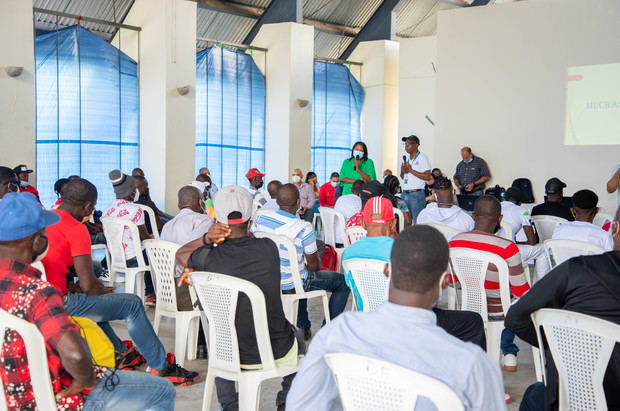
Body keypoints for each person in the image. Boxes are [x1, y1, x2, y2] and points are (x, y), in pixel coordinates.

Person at [287, 225, 506, 410]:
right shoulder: (473, 364)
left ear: (386, 271)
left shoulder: (338, 333)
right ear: (444, 282)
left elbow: (300, 405)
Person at [0, 192, 176, 410]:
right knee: (162, 391)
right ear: (38, 242)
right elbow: (74, 354)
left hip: (9, 395)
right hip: (48, 395)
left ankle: (120, 351)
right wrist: (86, 380)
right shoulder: (37, 293)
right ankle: (159, 365)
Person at [41, 178, 199, 386]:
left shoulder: (45, 218)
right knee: (132, 303)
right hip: (61, 302)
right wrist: (103, 291)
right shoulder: (76, 229)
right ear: (88, 206)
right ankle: (161, 367)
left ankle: (120, 352)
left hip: (41, 298)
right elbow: (89, 286)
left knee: (98, 303)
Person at [177, 185, 305, 411]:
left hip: (227, 352)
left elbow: (181, 254)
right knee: (299, 338)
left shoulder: (207, 258)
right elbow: (250, 243)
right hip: (273, 348)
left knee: (222, 338)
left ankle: (229, 405)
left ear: (216, 217)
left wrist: (208, 238)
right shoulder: (269, 248)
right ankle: (285, 403)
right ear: (251, 219)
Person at [505, 206, 620, 411]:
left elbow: (515, 317)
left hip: (571, 397)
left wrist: (561, 345)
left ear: (615, 229)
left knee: (535, 393)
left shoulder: (578, 269)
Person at [341, 195, 487, 349]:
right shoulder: (406, 250)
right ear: (393, 223)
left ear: (363, 223)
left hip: (371, 323)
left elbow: (354, 289)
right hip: (411, 325)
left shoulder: (348, 254)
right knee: (473, 321)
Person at [251, 184, 350, 339]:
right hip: (292, 283)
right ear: (298, 202)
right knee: (342, 283)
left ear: (277, 202)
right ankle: (326, 332)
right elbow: (313, 266)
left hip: (268, 280)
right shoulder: (303, 227)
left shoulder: (261, 219)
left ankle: (303, 326)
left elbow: (253, 243)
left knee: (299, 273)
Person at [449, 195, 530, 372]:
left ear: (472, 216)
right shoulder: (507, 247)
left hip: (468, 309)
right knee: (516, 304)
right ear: (499, 219)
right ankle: (508, 351)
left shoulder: (454, 242)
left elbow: (451, 280)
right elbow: (521, 291)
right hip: (498, 313)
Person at [160, 185, 212, 358]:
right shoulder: (204, 221)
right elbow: (193, 252)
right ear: (200, 202)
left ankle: (198, 341)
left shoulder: (168, 226)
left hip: (169, 289)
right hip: (189, 291)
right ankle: (206, 344)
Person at [102, 170, 156, 304]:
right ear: (133, 192)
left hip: (116, 256)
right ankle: (151, 293)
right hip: (134, 258)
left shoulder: (108, 208)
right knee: (154, 253)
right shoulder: (135, 209)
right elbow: (144, 237)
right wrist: (153, 236)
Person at [500, 187, 549, 278]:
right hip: (509, 253)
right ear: (520, 202)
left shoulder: (495, 207)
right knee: (544, 249)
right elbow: (532, 241)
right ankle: (540, 285)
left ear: (503, 198)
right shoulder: (522, 211)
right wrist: (519, 243)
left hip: (492, 250)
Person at [400, 135, 431, 223]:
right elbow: (403, 177)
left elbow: (428, 176)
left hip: (416, 195)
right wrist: (402, 172)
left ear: (416, 145)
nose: (406, 146)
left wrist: (411, 170)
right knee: (405, 221)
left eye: (408, 143)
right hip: (404, 194)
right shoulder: (406, 159)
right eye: (405, 144)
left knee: (417, 221)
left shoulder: (422, 158)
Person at [334, 179, 363, 245]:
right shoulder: (360, 202)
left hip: (334, 238)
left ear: (351, 190)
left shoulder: (340, 198)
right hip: (348, 241)